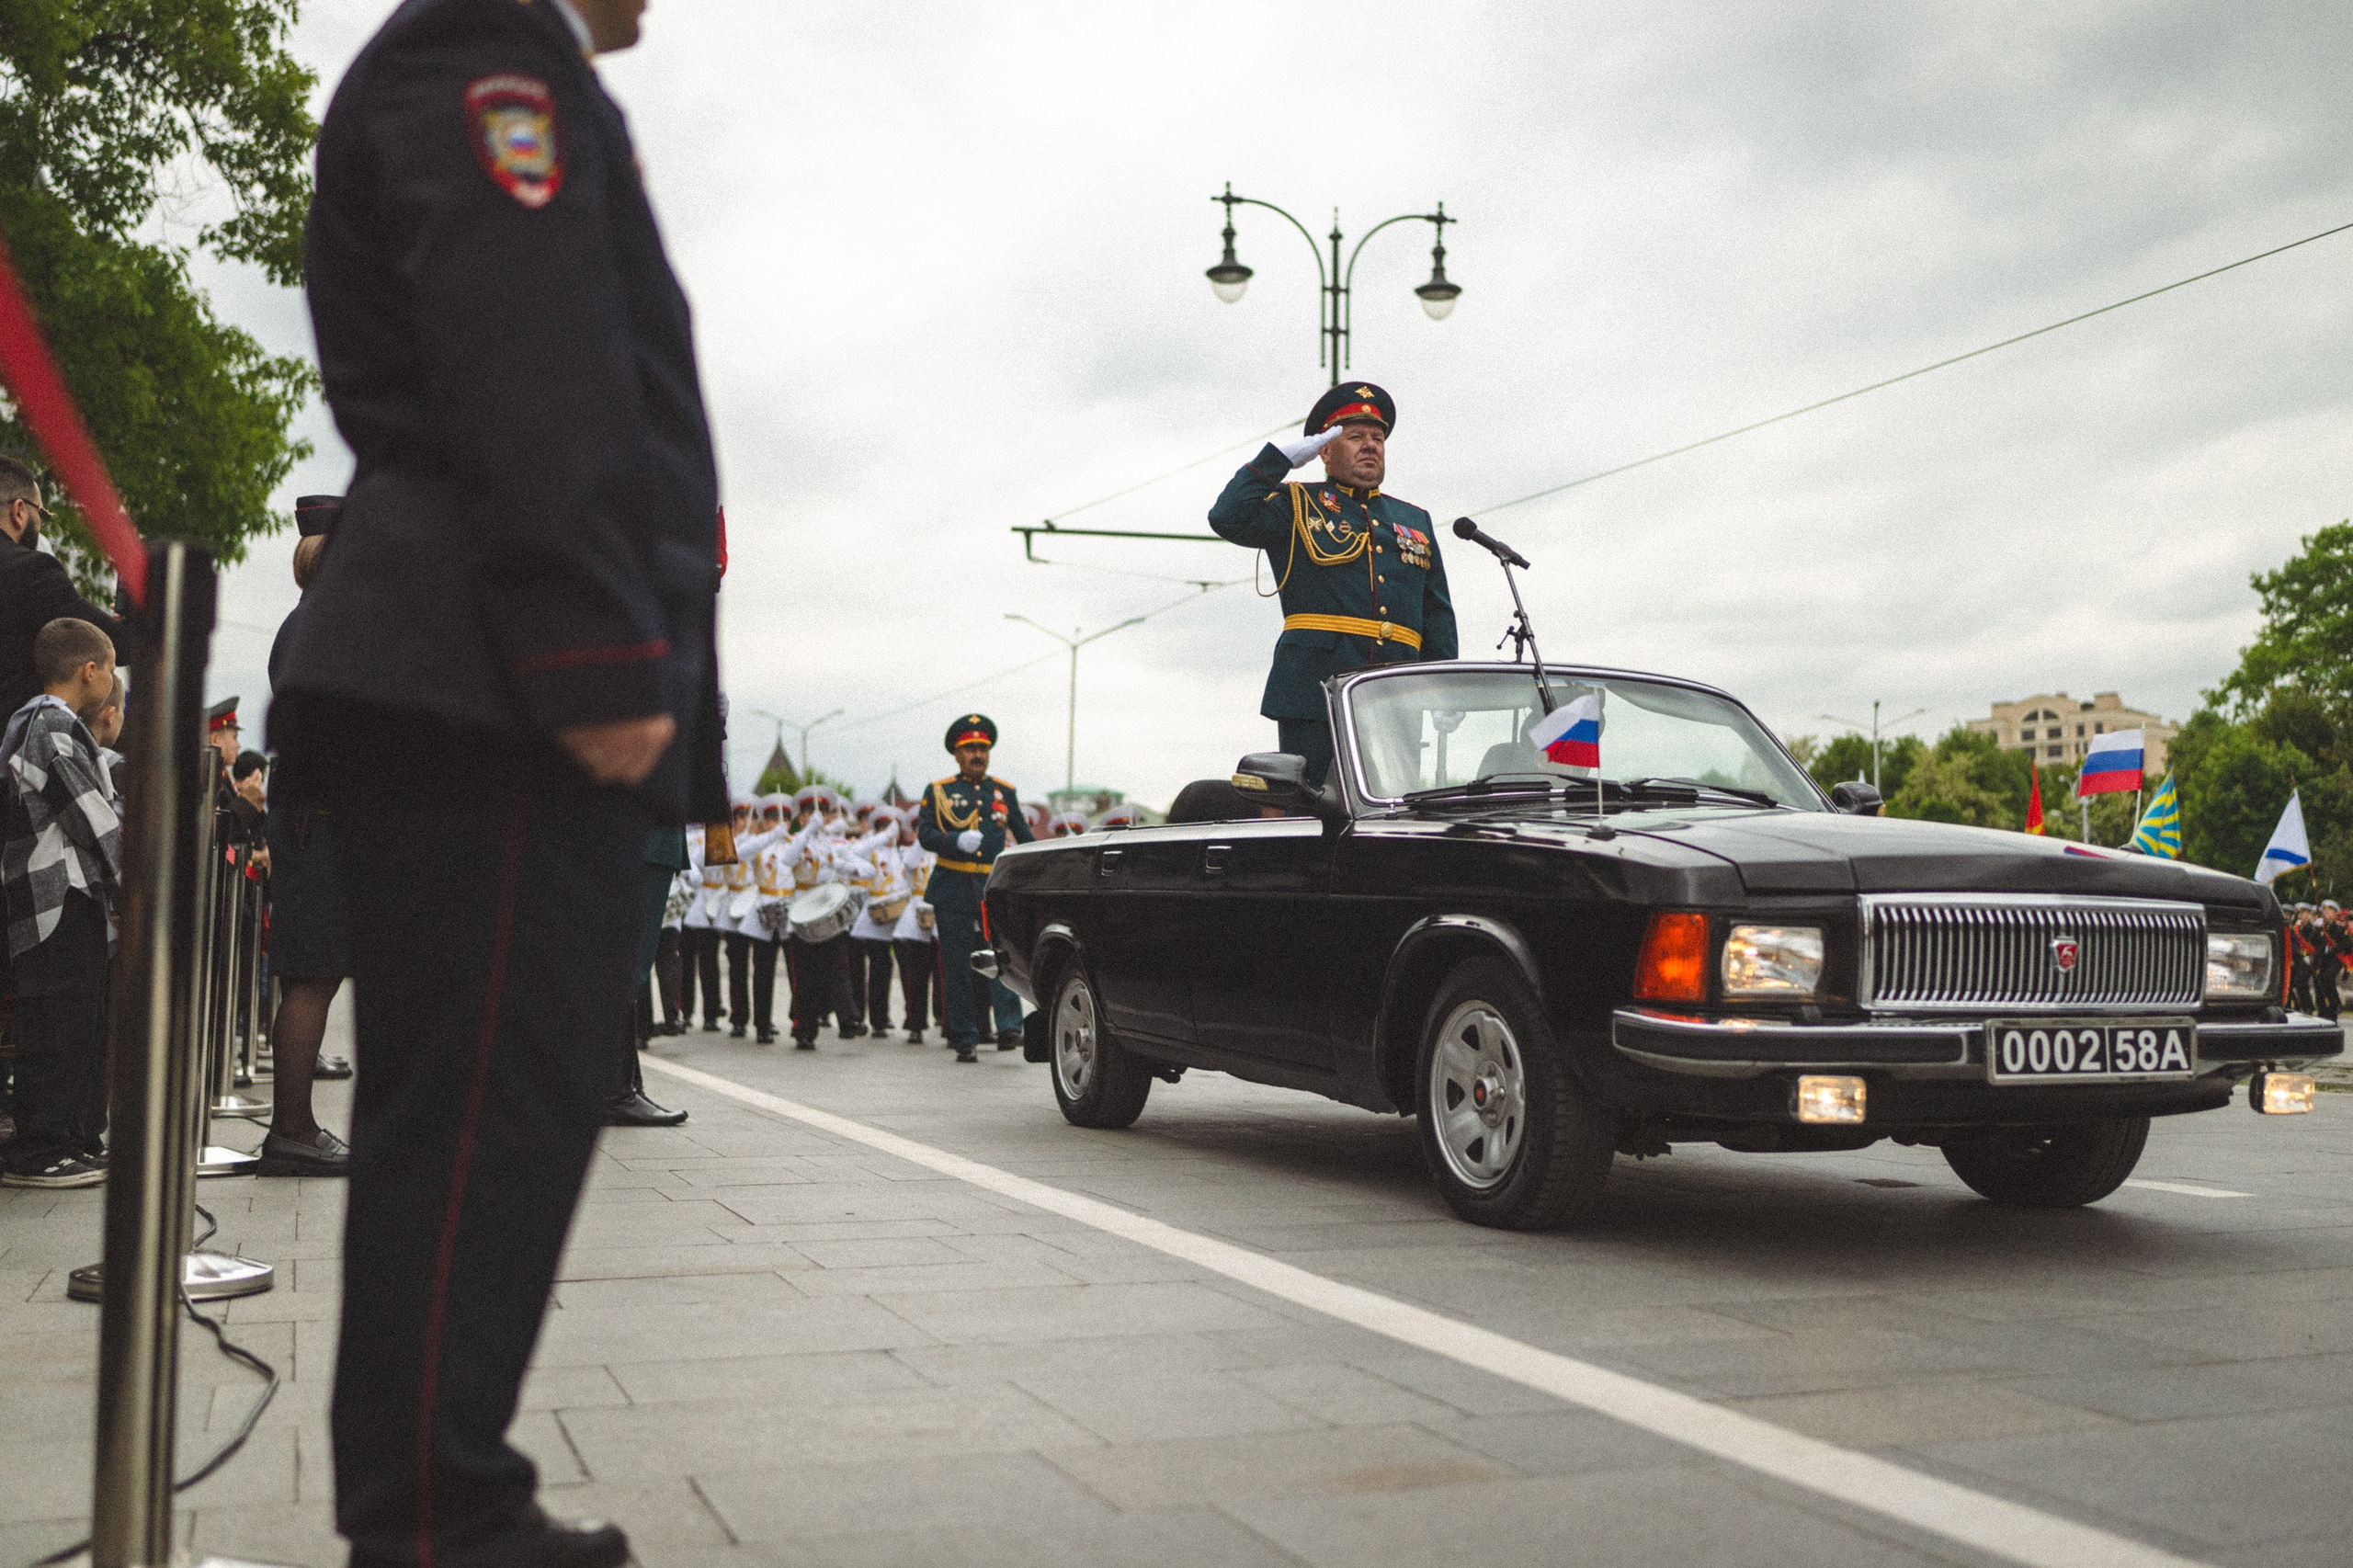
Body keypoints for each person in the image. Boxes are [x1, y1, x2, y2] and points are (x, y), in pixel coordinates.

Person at [278, 0, 728, 1560]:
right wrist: (599, 663)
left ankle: (439, 1493)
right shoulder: (482, 58)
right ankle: (434, 1522)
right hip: (500, 680)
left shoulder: (499, 65)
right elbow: (527, 358)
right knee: (482, 1114)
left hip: (482, 664)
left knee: (486, 1114)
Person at [1207, 381, 1458, 785]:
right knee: (1315, 809)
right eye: (1355, 437)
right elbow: (1227, 516)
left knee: (1396, 806)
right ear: (1324, 450)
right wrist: (1279, 460)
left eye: (1377, 438)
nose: (1370, 445)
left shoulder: (1413, 520)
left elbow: (1436, 613)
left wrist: (1445, 685)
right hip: (1316, 691)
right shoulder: (1295, 503)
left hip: (1397, 691)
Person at [254, 495, 356, 1176]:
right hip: (318, 823)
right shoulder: (327, 627)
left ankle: (295, 1127)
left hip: (306, 821)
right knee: (313, 981)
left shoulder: (308, 624)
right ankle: (291, 1131)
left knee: (311, 978)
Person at [0, 618, 119, 1187]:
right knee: (56, 1021)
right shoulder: (48, 725)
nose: (115, 680)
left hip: (70, 894)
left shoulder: (52, 723)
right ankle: (41, 1147)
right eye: (112, 668)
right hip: (52, 896)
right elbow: (92, 818)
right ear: (89, 672)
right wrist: (135, 880)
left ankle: (72, 1138)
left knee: (80, 1018)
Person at [914, 714, 1031, 1062]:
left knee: (1001, 957)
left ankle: (1010, 1026)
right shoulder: (939, 791)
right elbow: (925, 835)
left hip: (992, 887)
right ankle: (964, 1035)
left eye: (982, 748)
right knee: (957, 965)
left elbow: (1023, 836)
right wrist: (954, 841)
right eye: (970, 749)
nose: (977, 755)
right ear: (957, 754)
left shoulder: (1004, 792)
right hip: (952, 885)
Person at [0, 457, 127, 720]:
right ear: (19, 511)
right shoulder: (31, 572)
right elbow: (113, 645)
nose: (41, 525)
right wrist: (133, 621)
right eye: (42, 514)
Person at [890, 807, 939, 1044]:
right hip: (914, 917)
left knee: (942, 978)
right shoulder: (908, 851)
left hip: (939, 917)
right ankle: (915, 1024)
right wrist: (924, 838)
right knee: (915, 978)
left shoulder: (942, 852)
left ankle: (946, 1023)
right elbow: (909, 864)